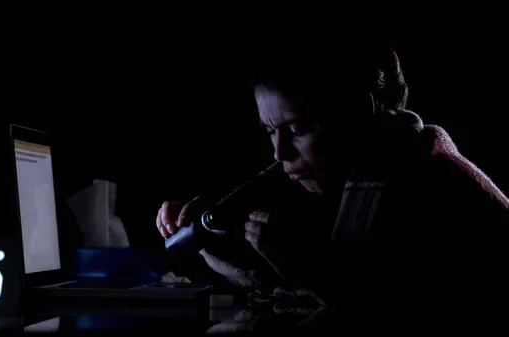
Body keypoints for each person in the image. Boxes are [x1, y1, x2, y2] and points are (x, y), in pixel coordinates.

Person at [155, 45, 509, 328]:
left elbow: (395, 305)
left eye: (297, 130)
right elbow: (271, 277)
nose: (279, 153)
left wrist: (304, 266)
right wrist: (210, 226)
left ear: (357, 112)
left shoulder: (435, 186)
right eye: (270, 132)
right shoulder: (326, 179)